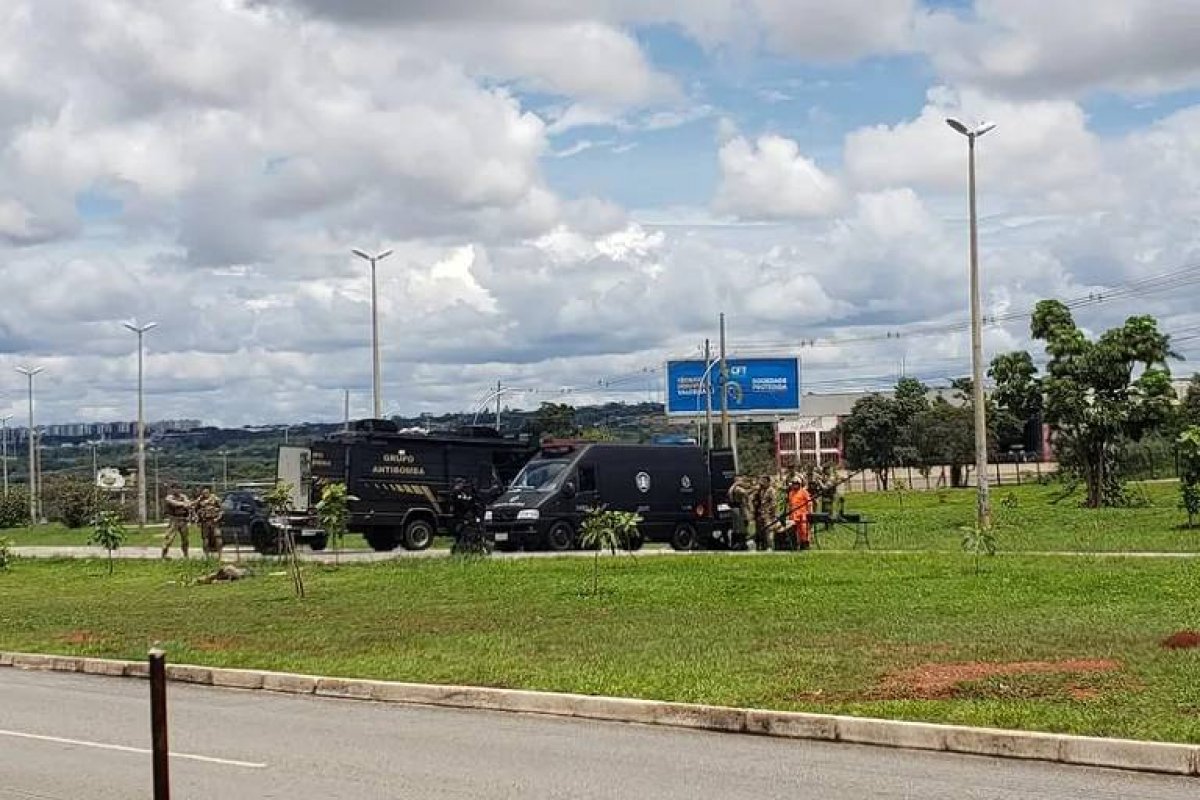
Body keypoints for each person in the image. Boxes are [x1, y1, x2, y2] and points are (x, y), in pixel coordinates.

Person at [162, 484, 193, 559]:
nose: (177, 490)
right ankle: (164, 555)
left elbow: (188, 503)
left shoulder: (183, 496)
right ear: (172, 489)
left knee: (185, 539)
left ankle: (186, 555)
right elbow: (174, 503)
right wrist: (184, 504)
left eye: (178, 488)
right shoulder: (169, 497)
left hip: (183, 520)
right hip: (173, 520)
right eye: (175, 488)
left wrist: (186, 504)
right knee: (169, 538)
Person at [727, 475, 755, 550]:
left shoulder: (733, 487)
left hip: (736, 509)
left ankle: (738, 544)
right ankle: (740, 544)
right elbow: (745, 493)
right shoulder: (737, 488)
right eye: (741, 480)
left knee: (738, 527)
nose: (742, 482)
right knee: (740, 528)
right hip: (738, 509)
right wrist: (754, 488)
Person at [195, 487, 224, 558]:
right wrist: (198, 520)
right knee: (205, 539)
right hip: (205, 521)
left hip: (214, 521)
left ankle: (220, 555)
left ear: (209, 492)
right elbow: (196, 510)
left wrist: (218, 518)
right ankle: (207, 556)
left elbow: (222, 510)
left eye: (206, 492)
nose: (205, 494)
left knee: (218, 537)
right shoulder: (200, 500)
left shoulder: (215, 499)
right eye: (203, 492)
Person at [787, 476, 814, 551]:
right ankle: (796, 545)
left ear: (799, 484)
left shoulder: (804, 492)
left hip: (803, 515)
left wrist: (810, 514)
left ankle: (805, 545)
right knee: (795, 532)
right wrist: (789, 515)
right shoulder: (790, 493)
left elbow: (809, 503)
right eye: (793, 483)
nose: (794, 485)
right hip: (793, 515)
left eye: (796, 483)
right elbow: (790, 504)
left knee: (804, 530)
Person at [752, 475, 775, 551]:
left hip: (768, 514)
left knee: (768, 530)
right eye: (762, 481)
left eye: (764, 481)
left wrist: (770, 512)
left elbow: (773, 503)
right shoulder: (761, 490)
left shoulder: (771, 490)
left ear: (768, 482)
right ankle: (762, 546)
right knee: (761, 531)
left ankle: (770, 546)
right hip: (761, 513)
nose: (763, 483)